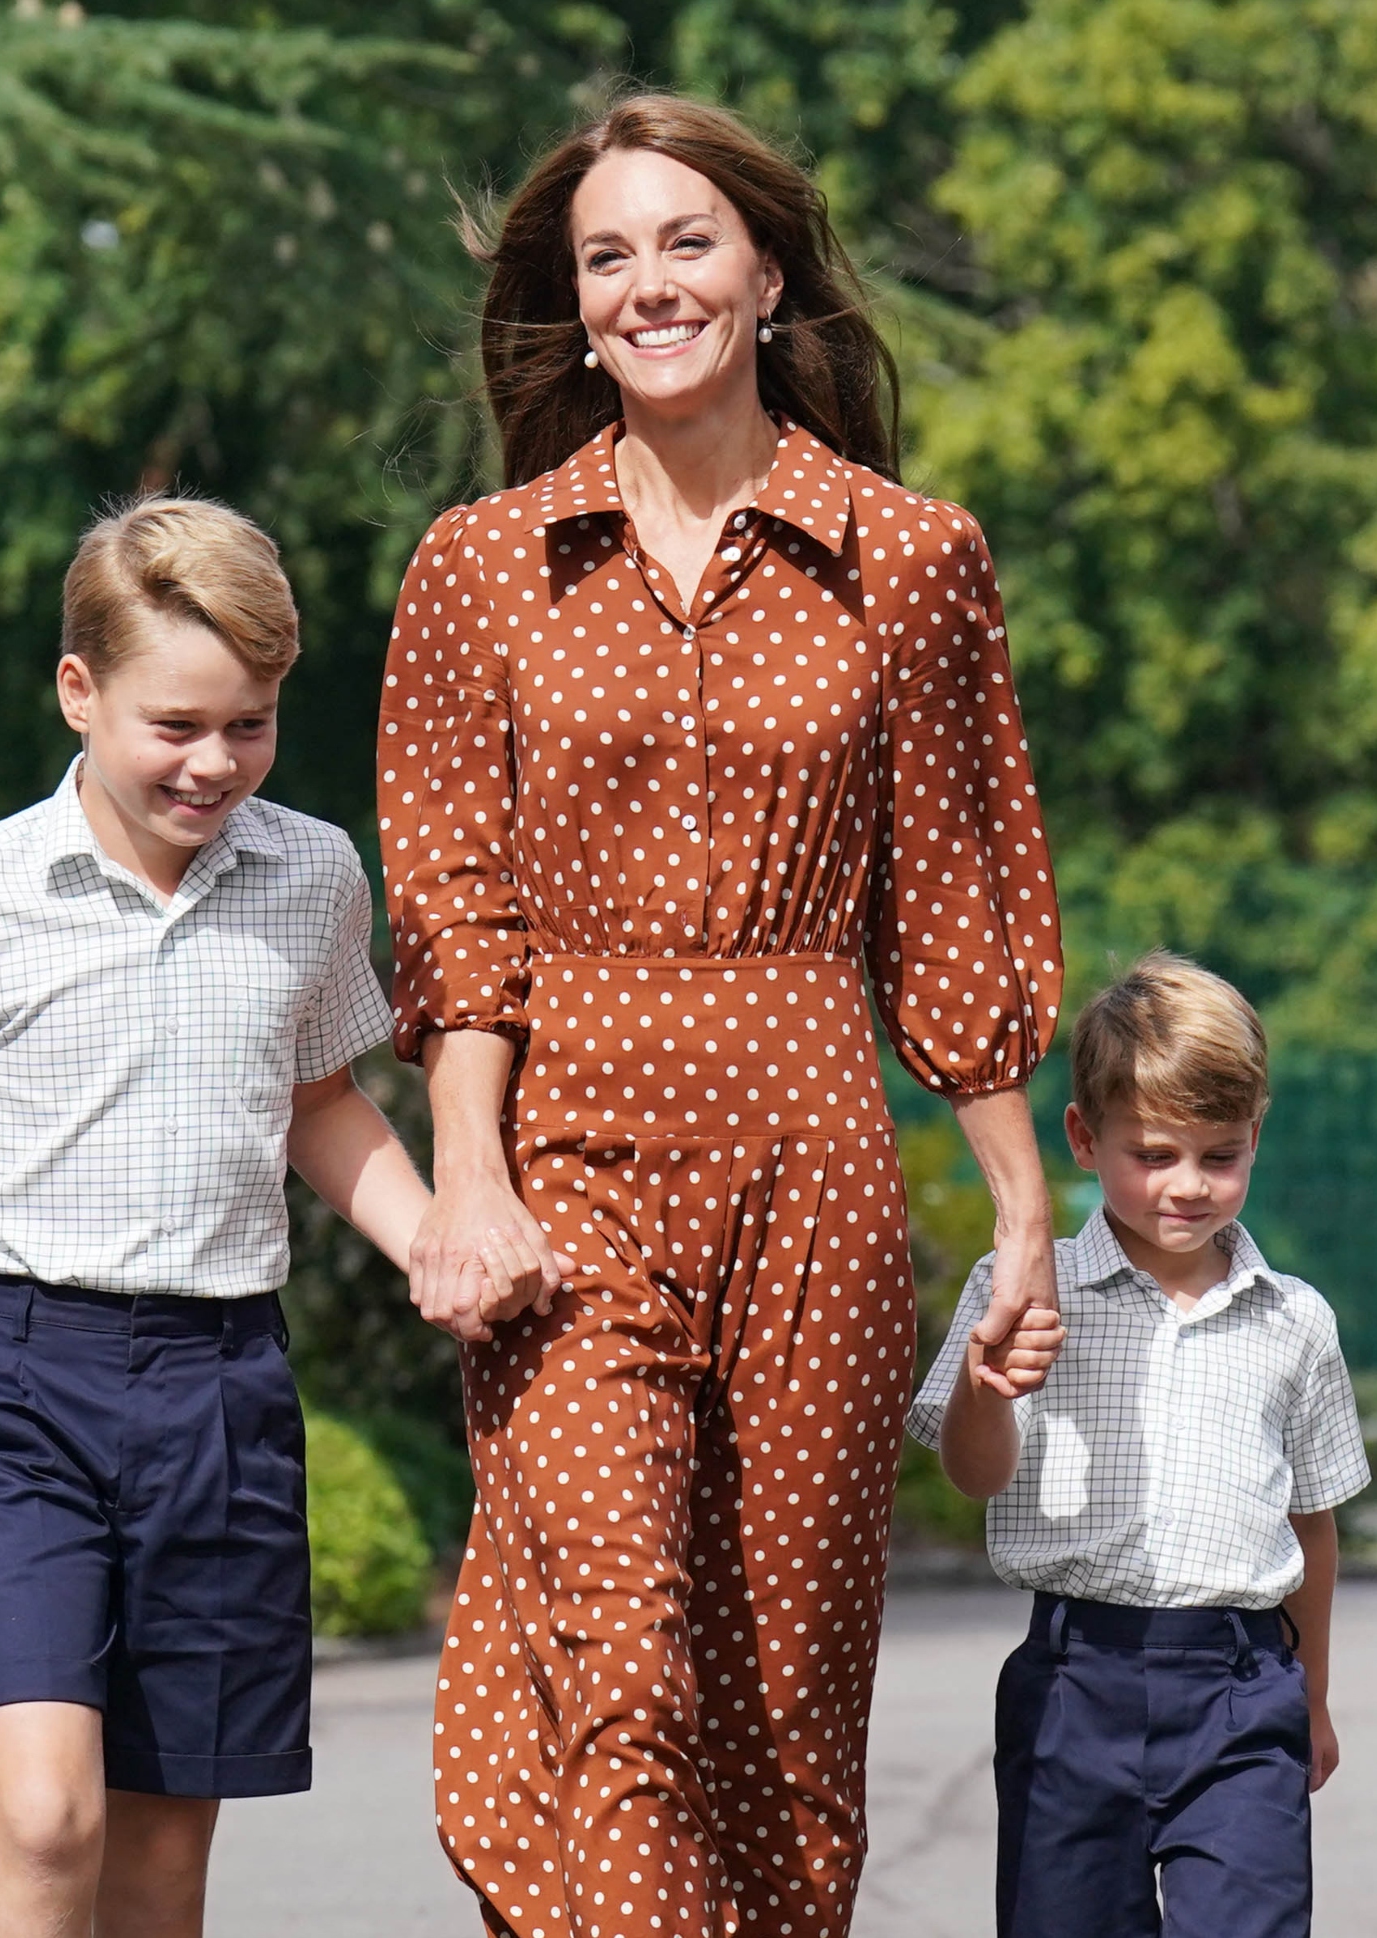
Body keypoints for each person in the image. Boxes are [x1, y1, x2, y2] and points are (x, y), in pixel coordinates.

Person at [378, 92, 1066, 1935]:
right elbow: (459, 923)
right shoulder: (481, 566)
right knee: (617, 1674)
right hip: (566, 1175)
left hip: (815, 1180)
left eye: (687, 241)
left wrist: (1016, 1213)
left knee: (776, 1711)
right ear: (577, 301)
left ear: (766, 271)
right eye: (609, 255)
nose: (648, 282)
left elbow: (955, 901)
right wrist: (466, 1173)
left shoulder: (911, 558)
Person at [0, 495, 430, 1938]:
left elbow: (320, 1101)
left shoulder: (310, 874)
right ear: (78, 691)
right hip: (17, 1388)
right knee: (52, 1810)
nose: (214, 763)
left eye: (248, 724)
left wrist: (432, 1237)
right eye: (174, 723)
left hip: (224, 1393)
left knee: (160, 1861)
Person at [907, 950, 1368, 1938]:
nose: (1188, 1185)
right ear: (1083, 1136)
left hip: (1243, 1696)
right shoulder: (1020, 1290)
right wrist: (990, 1390)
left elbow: (1313, 1530)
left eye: (1220, 1153)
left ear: (1256, 1137)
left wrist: (1312, 1703)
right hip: (1075, 1686)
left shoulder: (1294, 1321)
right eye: (1153, 1153)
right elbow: (975, 1474)